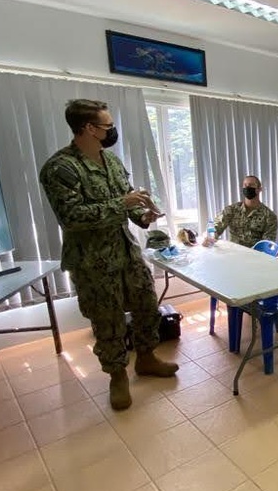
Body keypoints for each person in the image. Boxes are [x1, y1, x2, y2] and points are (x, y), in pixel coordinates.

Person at [39, 99, 177, 411]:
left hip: (126, 251)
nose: (112, 130)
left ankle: (145, 358)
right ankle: (117, 377)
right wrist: (123, 204)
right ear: (88, 128)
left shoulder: (111, 162)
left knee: (146, 307)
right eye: (107, 125)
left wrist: (144, 215)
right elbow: (71, 216)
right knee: (108, 321)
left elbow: (128, 201)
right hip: (92, 261)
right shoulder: (60, 168)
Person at [213, 175, 278, 248]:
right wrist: (210, 237)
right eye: (245, 185)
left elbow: (266, 244)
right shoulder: (232, 210)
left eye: (251, 185)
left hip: (255, 256)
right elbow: (216, 227)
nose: (247, 188)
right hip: (233, 253)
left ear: (259, 189)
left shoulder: (269, 216)